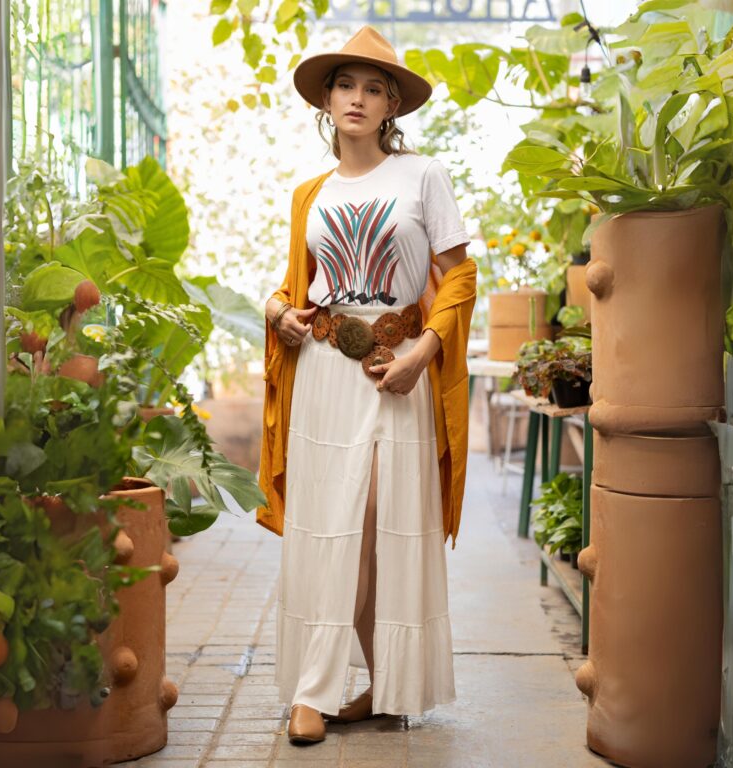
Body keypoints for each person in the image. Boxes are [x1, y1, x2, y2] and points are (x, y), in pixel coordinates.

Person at [257, 25, 477, 745]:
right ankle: (319, 689)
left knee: (381, 523)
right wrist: (277, 314)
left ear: (392, 107)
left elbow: (460, 274)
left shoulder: (424, 177)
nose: (357, 98)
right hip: (324, 372)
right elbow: (294, 288)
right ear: (326, 99)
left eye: (373, 87)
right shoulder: (308, 194)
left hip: (397, 374)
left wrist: (425, 351)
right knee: (334, 531)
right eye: (345, 85)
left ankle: (383, 683)